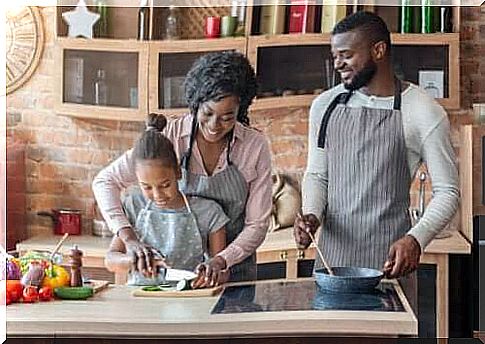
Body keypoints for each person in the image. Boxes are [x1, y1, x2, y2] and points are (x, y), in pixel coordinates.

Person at [294, 11, 459, 304]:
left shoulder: (423, 111)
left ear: (379, 50)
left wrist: (415, 239)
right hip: (332, 265)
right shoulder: (325, 106)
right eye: (335, 55)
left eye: (346, 55)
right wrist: (311, 215)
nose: (337, 64)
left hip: (389, 267)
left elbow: (448, 192)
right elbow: (318, 174)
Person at [93, 51, 272, 284]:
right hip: (174, 273)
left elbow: (257, 224)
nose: (214, 126)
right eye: (207, 113)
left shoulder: (254, 147)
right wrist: (129, 239)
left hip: (234, 267)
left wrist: (221, 261)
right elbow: (105, 181)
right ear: (195, 103)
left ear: (241, 109)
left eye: (227, 117)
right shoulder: (170, 136)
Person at [105, 113, 229, 287]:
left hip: (190, 303)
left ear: (177, 172)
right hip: (140, 303)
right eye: (147, 187)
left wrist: (211, 273)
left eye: (165, 185)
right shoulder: (134, 206)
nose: (158, 195)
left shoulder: (209, 212)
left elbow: (224, 273)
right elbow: (110, 260)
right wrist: (133, 260)